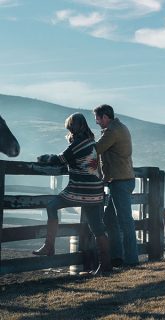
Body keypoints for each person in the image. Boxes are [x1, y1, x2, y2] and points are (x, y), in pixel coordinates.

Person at [33, 113, 112, 275]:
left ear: (74, 127)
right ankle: (105, 266)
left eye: (71, 127)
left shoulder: (79, 142)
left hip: (81, 188)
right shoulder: (90, 141)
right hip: (96, 191)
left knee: (52, 206)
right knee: (98, 228)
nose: (70, 130)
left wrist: (43, 157)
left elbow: (60, 159)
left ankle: (49, 246)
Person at [93, 104, 137, 267]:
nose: (97, 122)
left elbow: (97, 148)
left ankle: (131, 260)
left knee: (125, 220)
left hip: (120, 181)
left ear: (105, 117)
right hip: (120, 180)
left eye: (97, 118)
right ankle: (117, 256)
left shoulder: (112, 131)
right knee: (110, 218)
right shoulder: (119, 127)